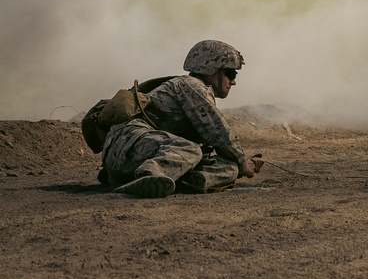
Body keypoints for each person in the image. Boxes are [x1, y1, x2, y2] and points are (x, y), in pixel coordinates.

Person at [102, 40, 264, 198]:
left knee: (230, 168)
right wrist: (245, 165)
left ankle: (162, 181)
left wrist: (239, 165)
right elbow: (220, 135)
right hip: (128, 144)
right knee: (191, 150)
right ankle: (150, 174)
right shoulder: (192, 85)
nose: (233, 81)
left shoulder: (191, 88)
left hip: (132, 154)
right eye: (230, 73)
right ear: (212, 69)